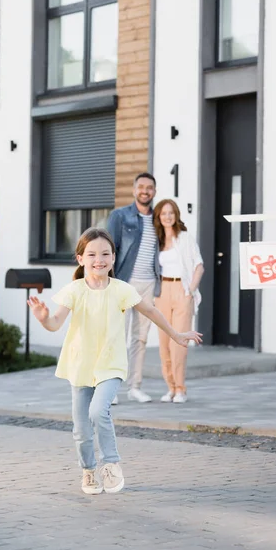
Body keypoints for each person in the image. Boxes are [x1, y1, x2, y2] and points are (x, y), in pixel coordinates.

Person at [27, 228, 202, 495]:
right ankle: (88, 471)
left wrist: (176, 335)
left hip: (111, 364)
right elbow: (54, 324)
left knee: (98, 412)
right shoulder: (74, 290)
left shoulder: (121, 289)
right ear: (80, 259)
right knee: (81, 429)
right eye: (93, 254)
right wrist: (43, 318)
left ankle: (111, 464)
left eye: (106, 254)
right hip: (81, 365)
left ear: (113, 258)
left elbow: (151, 311)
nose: (100, 259)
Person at [107, 172, 160, 403]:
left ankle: (135, 387)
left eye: (149, 188)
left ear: (154, 192)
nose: (145, 191)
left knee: (140, 338)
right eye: (141, 187)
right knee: (117, 336)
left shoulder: (159, 219)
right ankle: (111, 389)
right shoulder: (120, 216)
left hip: (148, 284)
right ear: (134, 189)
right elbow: (108, 249)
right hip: (122, 282)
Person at [153, 199, 204, 404]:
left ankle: (181, 389)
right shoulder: (156, 241)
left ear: (176, 215)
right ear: (158, 217)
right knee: (164, 343)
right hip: (161, 292)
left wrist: (190, 291)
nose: (167, 216)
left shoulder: (185, 238)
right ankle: (171, 388)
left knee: (179, 342)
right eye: (163, 213)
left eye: (171, 213)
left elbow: (198, 265)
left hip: (182, 291)